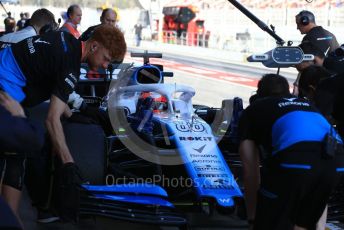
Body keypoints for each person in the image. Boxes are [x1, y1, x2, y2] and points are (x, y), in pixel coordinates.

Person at [0, 24, 126, 221]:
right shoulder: (71, 66)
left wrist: (72, 113)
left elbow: (53, 83)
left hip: (6, 81)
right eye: (106, 59)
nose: (104, 66)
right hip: (4, 89)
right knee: (17, 153)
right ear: (93, 47)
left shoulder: (64, 41)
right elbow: (51, 120)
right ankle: (13, 222)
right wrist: (69, 165)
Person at [239, 74, 343, 230]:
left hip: (296, 161)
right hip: (337, 160)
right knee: (304, 224)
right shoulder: (307, 104)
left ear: (258, 93)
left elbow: (250, 171)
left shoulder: (254, 109)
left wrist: (253, 218)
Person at [0, 91, 44, 223]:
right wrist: (20, 116)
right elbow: (35, 139)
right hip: (16, 130)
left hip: (14, 140)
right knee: (10, 214)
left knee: (10, 214)